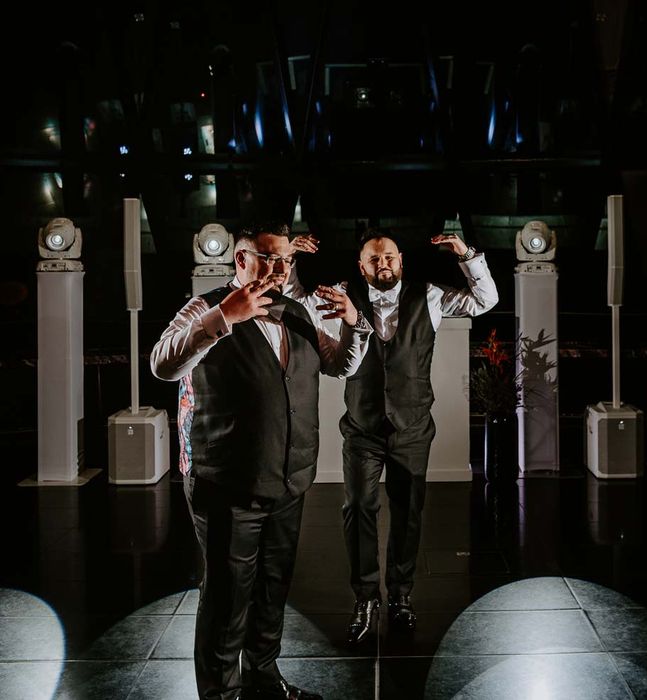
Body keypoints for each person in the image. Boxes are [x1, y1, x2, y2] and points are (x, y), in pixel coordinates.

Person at [150, 223, 372, 700]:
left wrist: (354, 322)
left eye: (285, 261)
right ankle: (220, 693)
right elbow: (162, 363)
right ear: (241, 260)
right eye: (267, 259)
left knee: (272, 589)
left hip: (289, 479)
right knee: (228, 598)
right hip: (227, 480)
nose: (278, 269)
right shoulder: (206, 305)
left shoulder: (296, 311)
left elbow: (340, 364)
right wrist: (221, 318)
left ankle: (263, 680)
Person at [285, 227, 498, 643]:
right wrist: (289, 259)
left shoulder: (432, 296)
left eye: (389, 258)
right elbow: (295, 303)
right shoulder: (343, 294)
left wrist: (467, 255)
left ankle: (401, 596)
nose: (383, 264)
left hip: (413, 429)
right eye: (374, 259)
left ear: (401, 262)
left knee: (407, 513)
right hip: (362, 429)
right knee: (358, 509)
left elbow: (486, 300)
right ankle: (366, 598)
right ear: (361, 266)